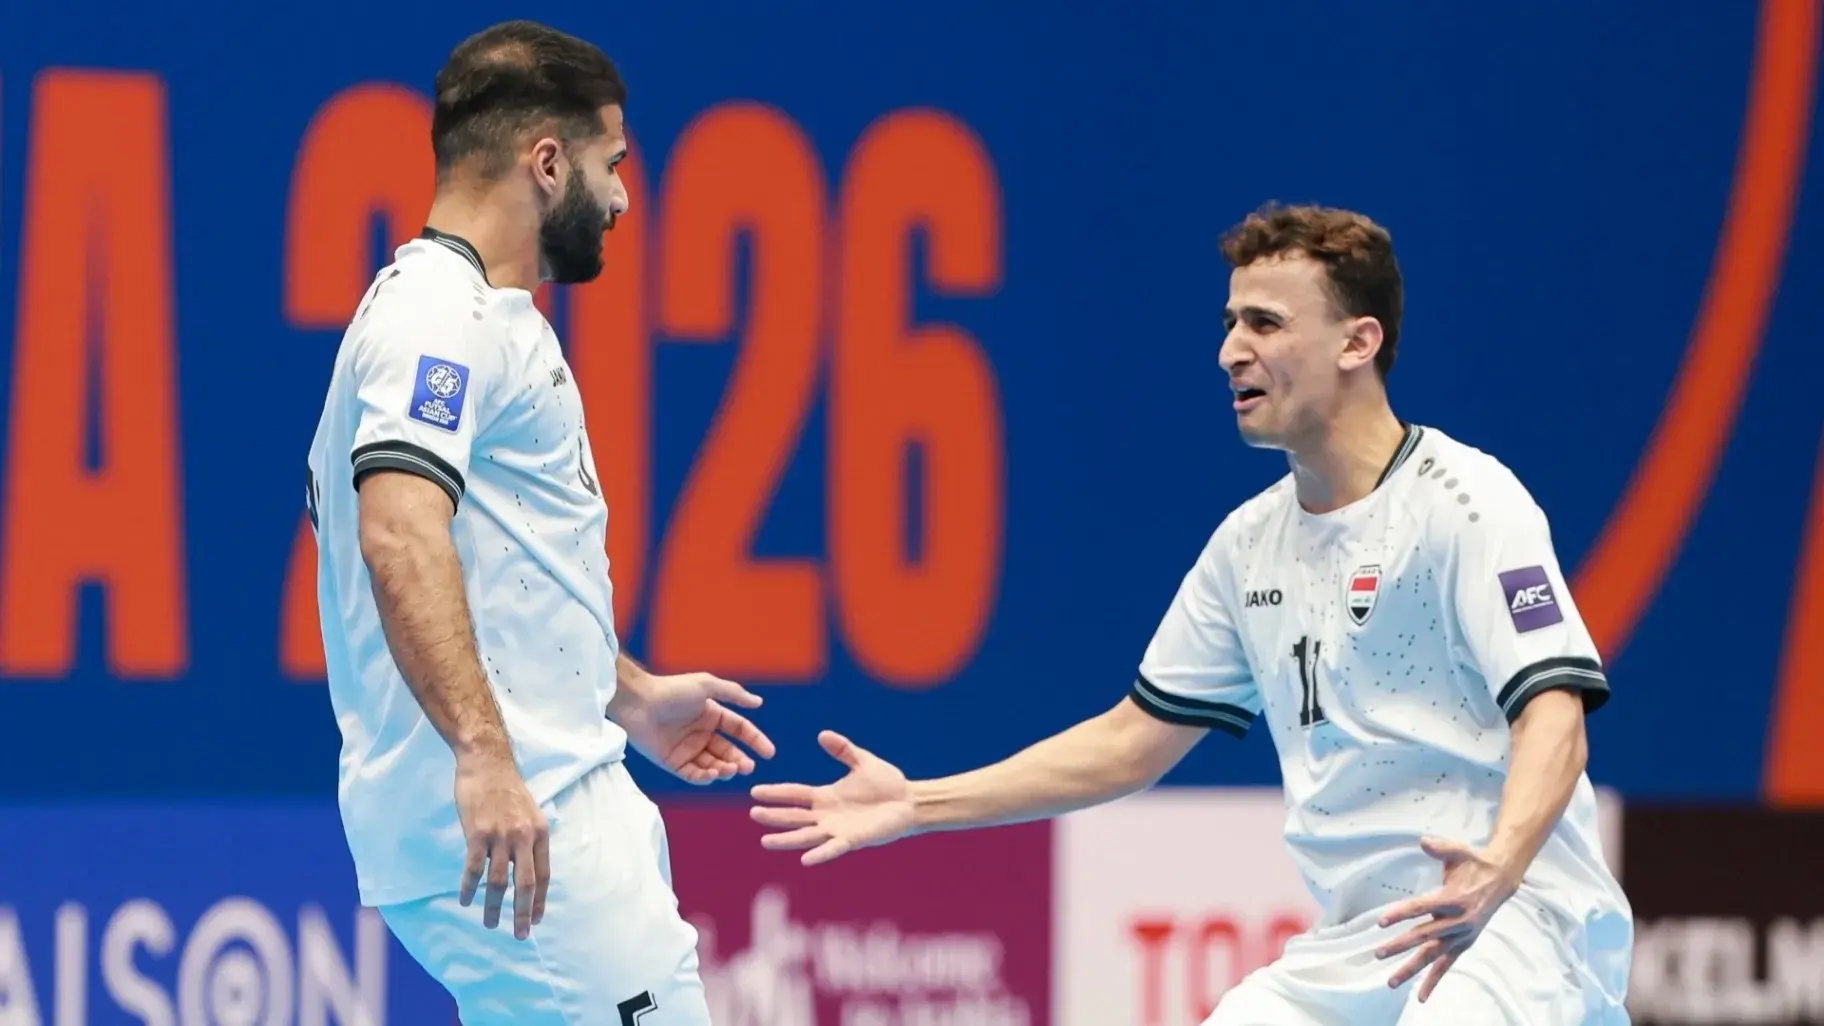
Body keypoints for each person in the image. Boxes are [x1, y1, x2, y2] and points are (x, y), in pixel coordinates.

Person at [750, 204, 1634, 1025]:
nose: (1230, 352)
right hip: (1359, 946)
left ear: (1357, 342)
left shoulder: (1468, 503)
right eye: (1230, 323)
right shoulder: (1247, 547)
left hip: (1514, 925)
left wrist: (1497, 865)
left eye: (1266, 324)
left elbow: (1554, 716)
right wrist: (917, 802)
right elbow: (1129, 743)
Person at [304, 20, 772, 1025]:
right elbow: (398, 535)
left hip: (554, 800)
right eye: (614, 164)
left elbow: (503, 570)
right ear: (548, 163)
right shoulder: (437, 319)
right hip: (526, 824)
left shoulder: (469, 317)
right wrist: (484, 755)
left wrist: (627, 694)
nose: (624, 198)